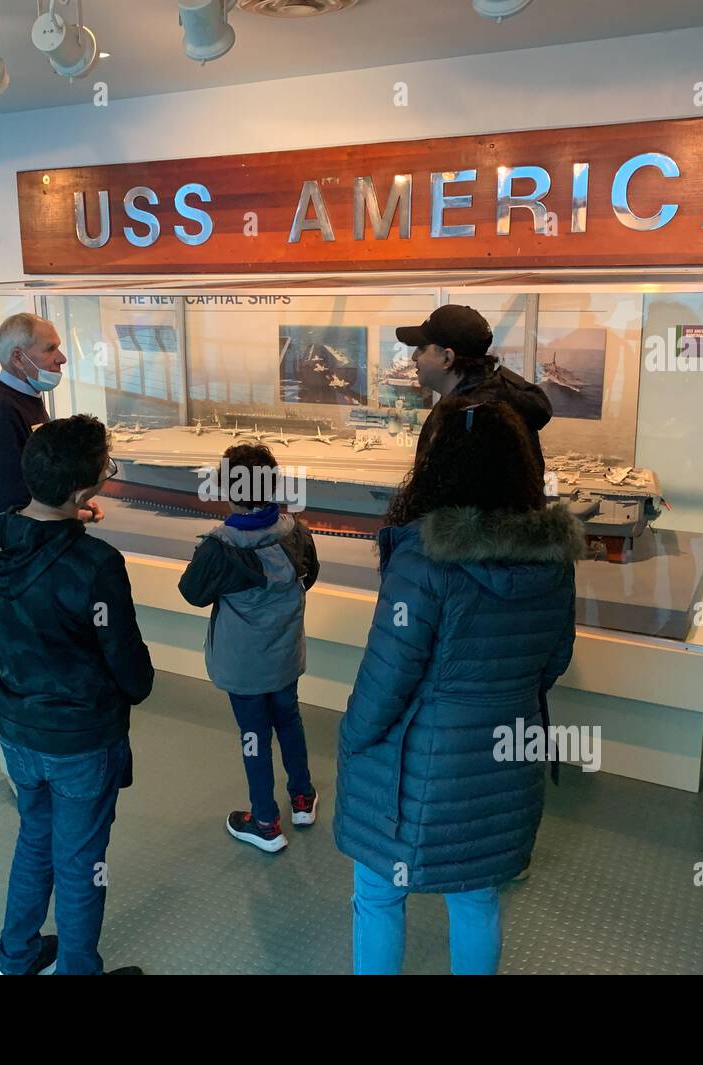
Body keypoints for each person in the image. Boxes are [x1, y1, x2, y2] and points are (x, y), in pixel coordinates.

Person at [333, 398, 582, 975]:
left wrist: (351, 740)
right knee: (476, 897)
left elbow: (386, 681)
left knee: (378, 895)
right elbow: (554, 658)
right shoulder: (555, 561)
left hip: (414, 768)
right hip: (504, 761)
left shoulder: (423, 562)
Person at [0, 415, 153, 976]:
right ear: (84, 491)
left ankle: (16, 959)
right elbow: (130, 668)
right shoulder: (97, 564)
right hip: (81, 740)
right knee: (80, 864)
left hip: (17, 726)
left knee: (35, 840)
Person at [0, 313, 102, 789]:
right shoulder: (2, 413)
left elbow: (32, 484)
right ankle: (19, 768)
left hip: (26, 556)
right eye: (50, 349)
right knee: (16, 658)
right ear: (18, 356)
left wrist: (72, 498)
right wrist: (73, 511)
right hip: (11, 559)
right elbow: (7, 500)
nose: (60, 357)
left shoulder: (26, 401)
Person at [178, 443, 321, 854]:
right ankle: (302, 799)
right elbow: (309, 576)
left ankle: (265, 822)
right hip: (285, 655)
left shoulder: (219, 547)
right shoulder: (298, 533)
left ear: (226, 488)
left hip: (243, 664)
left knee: (254, 735)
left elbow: (192, 593)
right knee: (289, 721)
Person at [397, 303, 553, 471]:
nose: (414, 357)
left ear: (447, 358)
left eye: (421, 348)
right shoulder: (488, 402)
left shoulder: (474, 419)